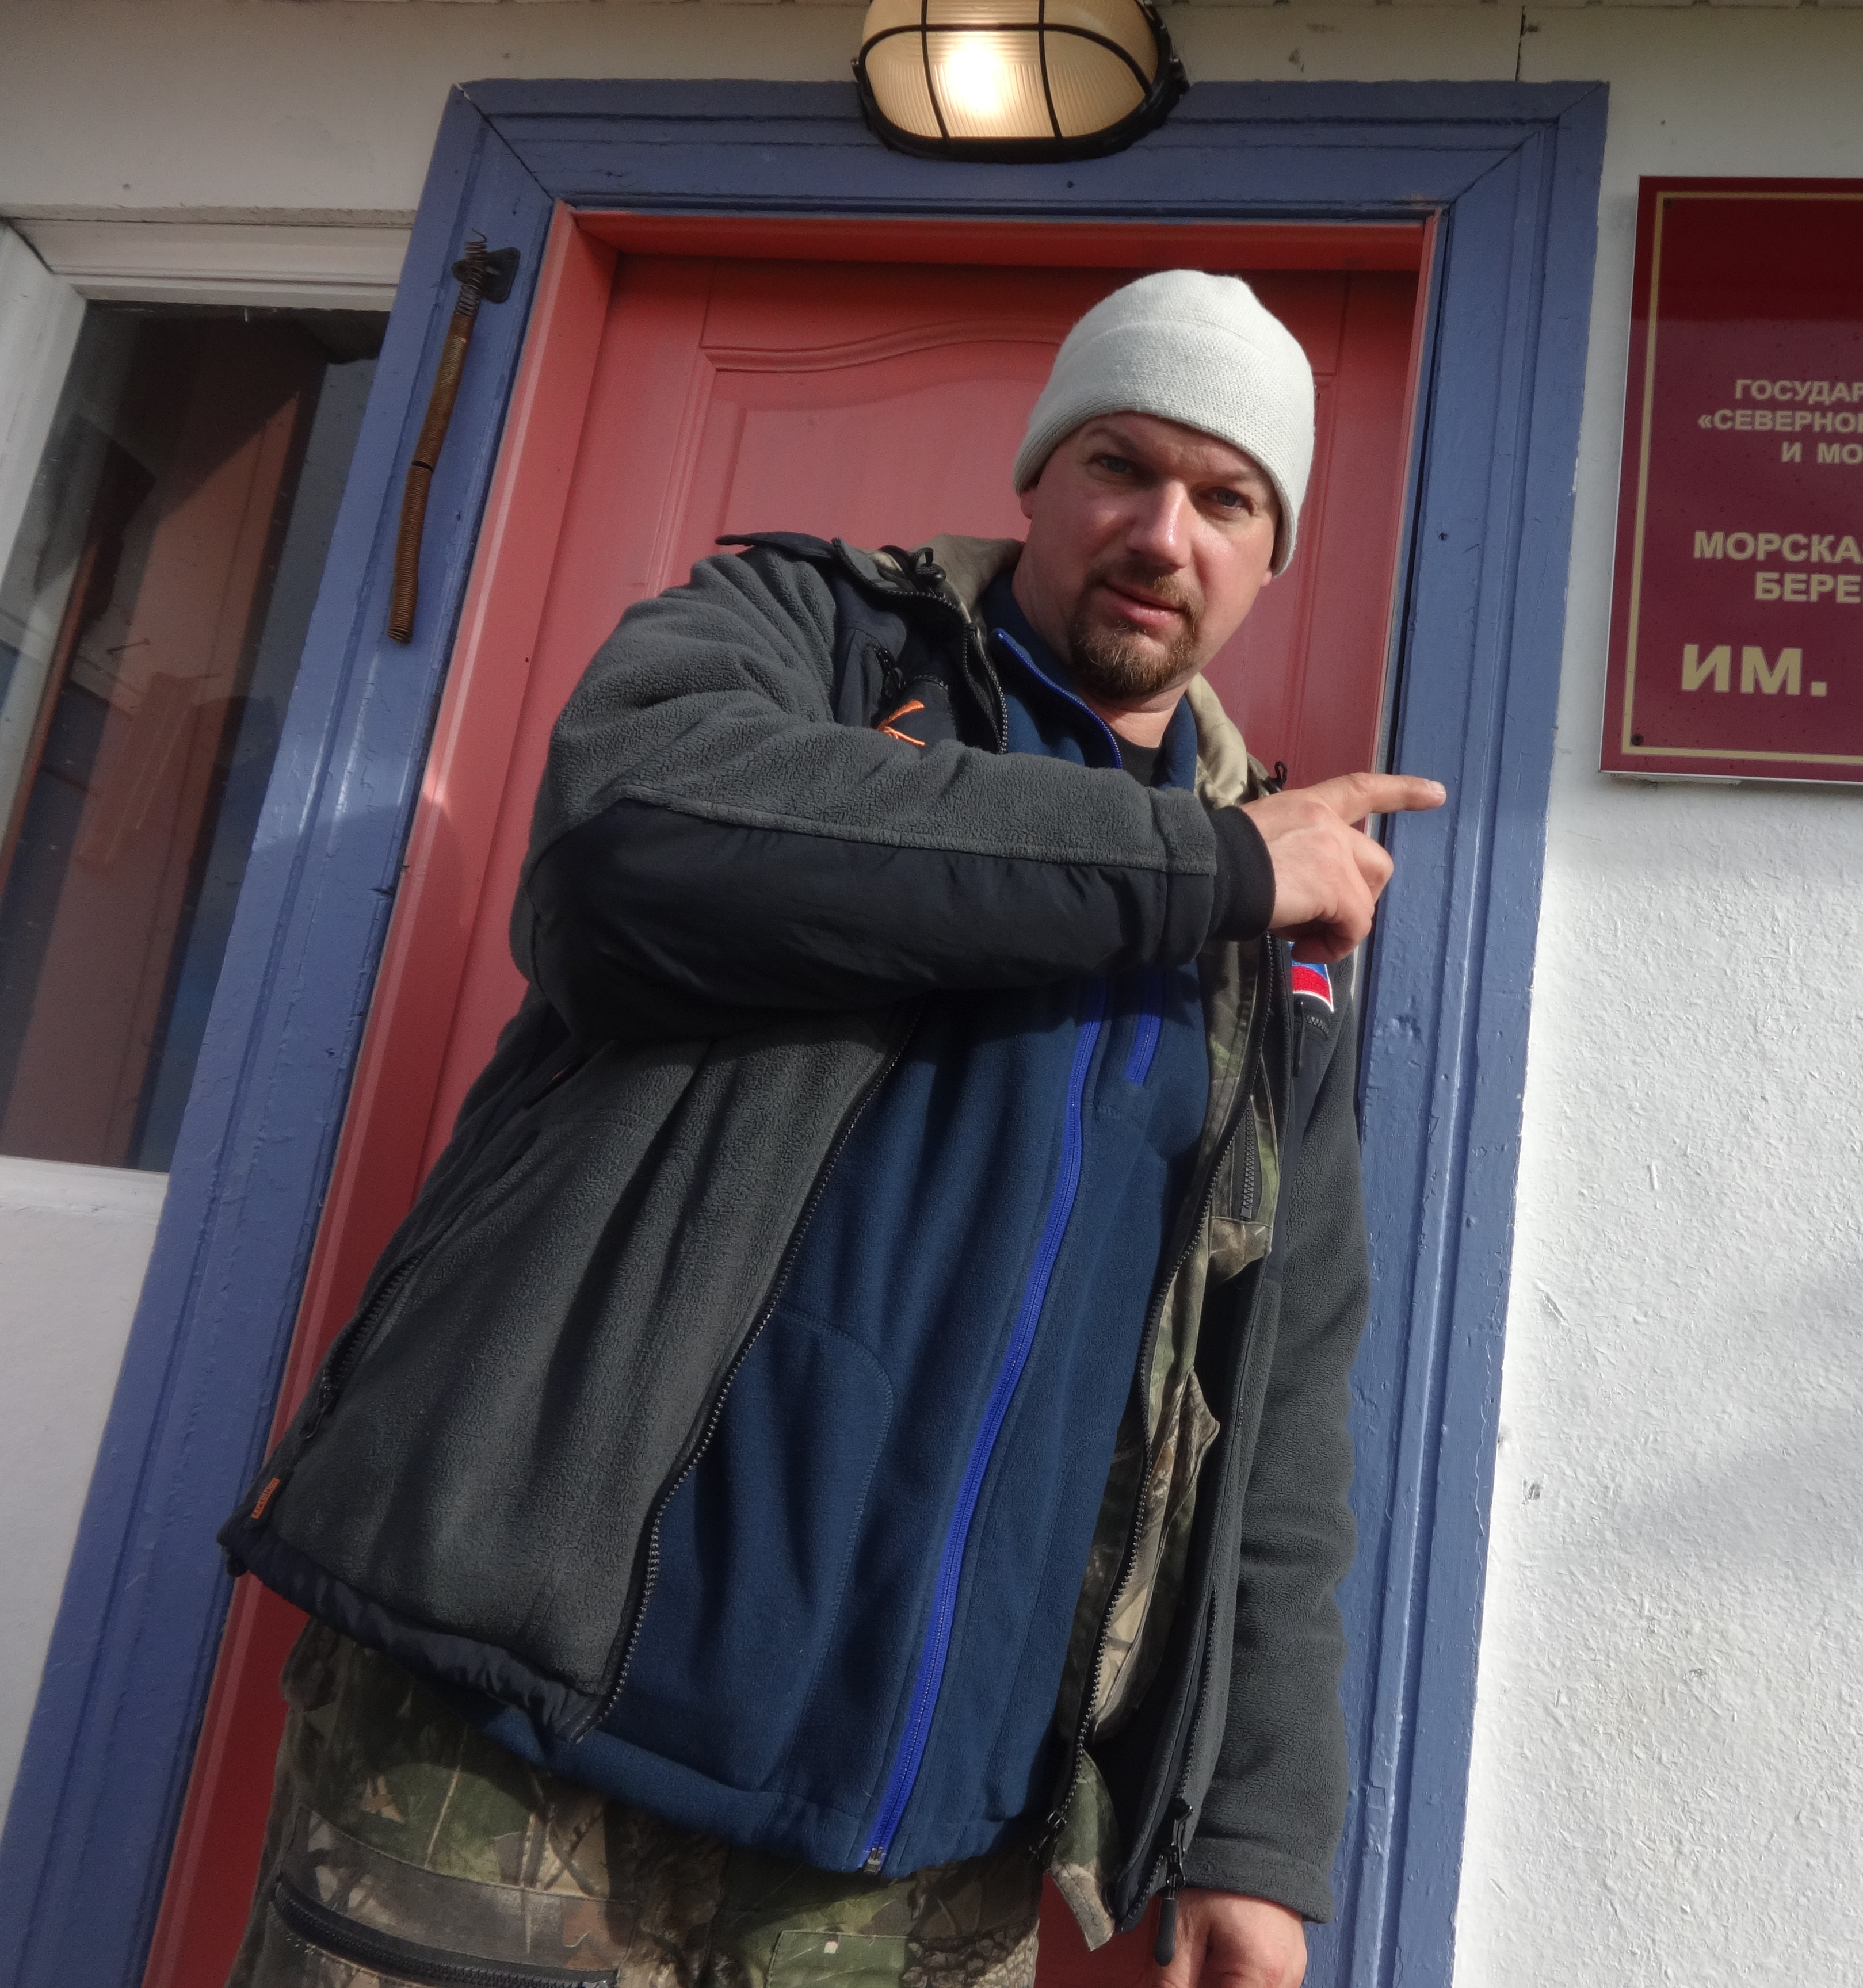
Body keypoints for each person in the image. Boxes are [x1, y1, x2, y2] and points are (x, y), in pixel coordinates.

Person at [220, 270, 1444, 1988]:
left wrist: (1252, 1829)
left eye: (1228, 499)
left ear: (1271, 555)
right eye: (1121, 464)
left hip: (921, 1857)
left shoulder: (1274, 931)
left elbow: (1281, 1393)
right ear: (1039, 472)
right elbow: (623, 856)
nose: (1164, 534)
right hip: (517, 1749)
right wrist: (1208, 864)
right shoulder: (813, 637)